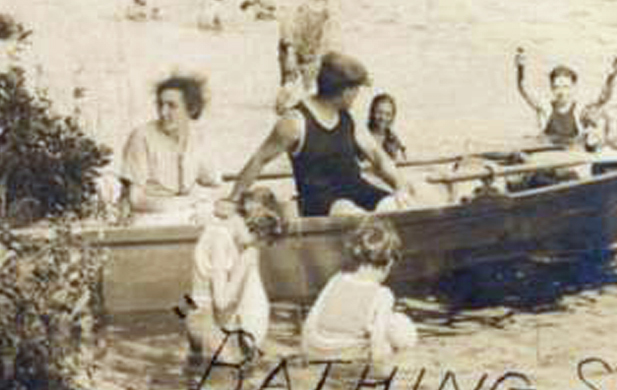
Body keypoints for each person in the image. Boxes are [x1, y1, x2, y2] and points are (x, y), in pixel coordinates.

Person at [230, 51, 413, 218]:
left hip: (357, 190)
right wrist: (232, 200)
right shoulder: (295, 122)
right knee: (349, 211)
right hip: (319, 202)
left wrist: (400, 185)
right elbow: (259, 159)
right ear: (345, 92)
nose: (357, 95)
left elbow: (378, 157)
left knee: (397, 205)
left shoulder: (349, 119)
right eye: (356, 89)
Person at [182, 186, 285, 357]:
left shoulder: (212, 232)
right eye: (256, 237)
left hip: (197, 320)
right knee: (233, 377)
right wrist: (243, 267)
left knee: (197, 375)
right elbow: (221, 301)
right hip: (210, 325)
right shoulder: (222, 243)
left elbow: (199, 291)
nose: (250, 243)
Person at [301, 218, 417, 365]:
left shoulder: (336, 279)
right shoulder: (383, 294)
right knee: (398, 337)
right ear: (389, 263)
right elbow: (377, 343)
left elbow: (310, 322)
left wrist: (307, 352)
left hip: (316, 348)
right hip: (347, 353)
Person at [119, 74, 221, 226]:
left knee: (224, 227)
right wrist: (184, 203)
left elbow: (213, 180)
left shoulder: (197, 137)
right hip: (150, 218)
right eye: (160, 105)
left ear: (191, 109)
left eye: (171, 106)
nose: (163, 112)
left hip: (187, 213)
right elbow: (136, 199)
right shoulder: (141, 137)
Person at [515, 48, 617, 150]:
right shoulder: (545, 109)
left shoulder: (579, 110)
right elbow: (524, 89)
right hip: (548, 155)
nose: (561, 92)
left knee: (601, 119)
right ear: (551, 87)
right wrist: (520, 68)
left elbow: (602, 99)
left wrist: (611, 77)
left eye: (565, 87)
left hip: (573, 154)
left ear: (573, 87)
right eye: (556, 87)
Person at [276, 0, 341, 113]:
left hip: (311, 51)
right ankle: (278, 114)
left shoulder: (327, 2)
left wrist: (325, 55)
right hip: (291, 48)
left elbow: (328, 30)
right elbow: (287, 25)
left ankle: (307, 115)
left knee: (311, 88)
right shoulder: (300, 0)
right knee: (289, 83)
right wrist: (290, 53)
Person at [365, 92, 407, 163]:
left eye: (388, 114)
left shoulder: (394, 140)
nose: (383, 118)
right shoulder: (362, 135)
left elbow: (401, 162)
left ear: (392, 117)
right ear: (372, 113)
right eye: (379, 112)